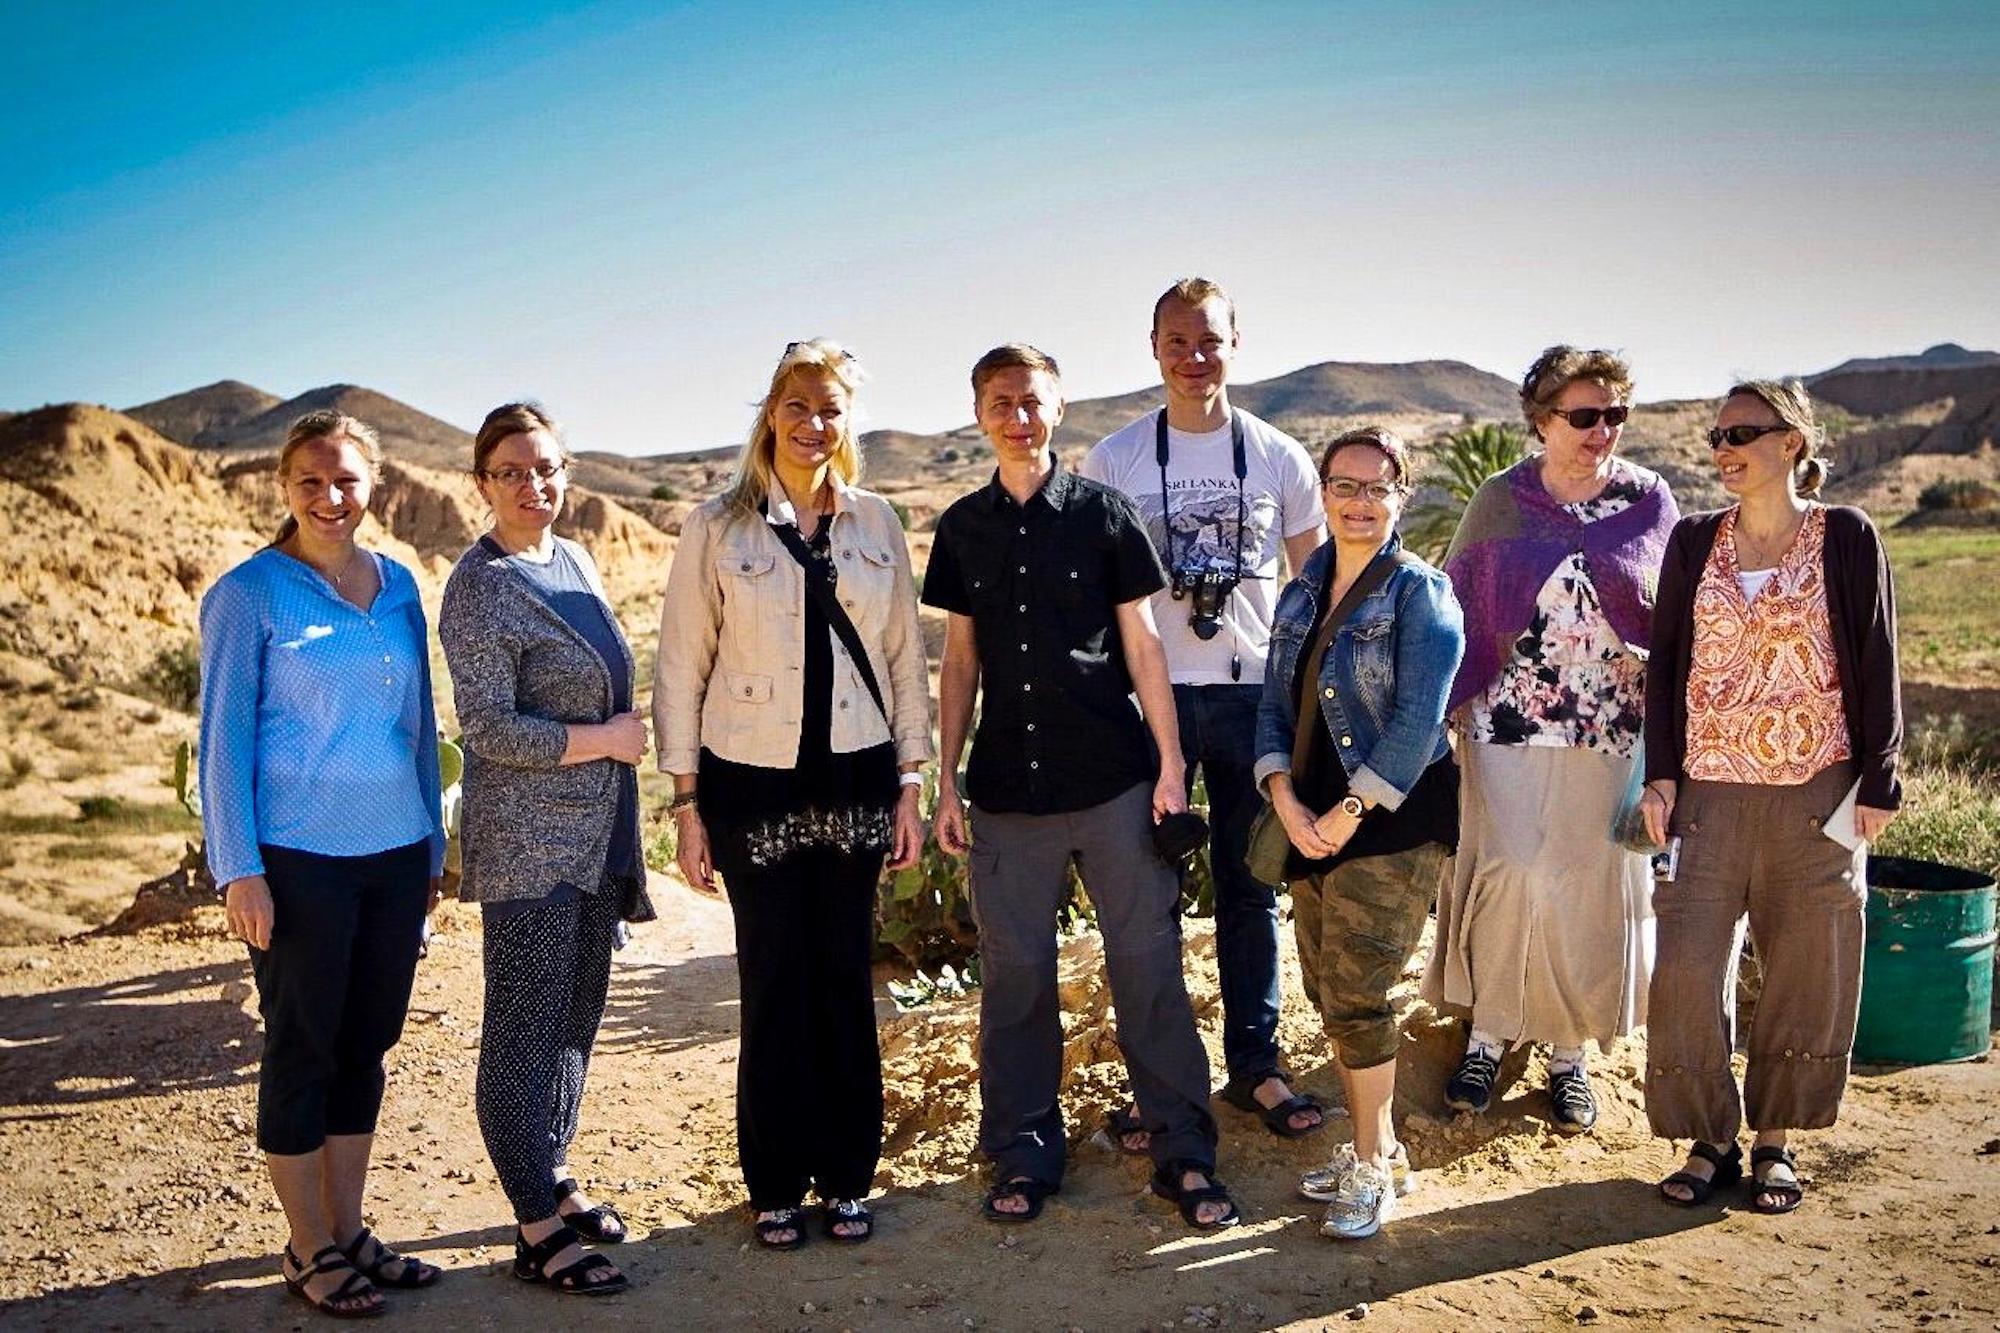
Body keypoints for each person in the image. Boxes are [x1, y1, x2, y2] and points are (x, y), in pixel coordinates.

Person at [928, 343, 1236, 1231]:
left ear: (1057, 408)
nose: (1017, 416)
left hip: (1113, 782)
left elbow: (1144, 644)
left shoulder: (1105, 513)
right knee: (1015, 981)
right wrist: (945, 783)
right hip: (1006, 796)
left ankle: (1184, 1150)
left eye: (1031, 400)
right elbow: (959, 662)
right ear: (980, 413)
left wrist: (1170, 764)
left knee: (1148, 970)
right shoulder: (960, 527)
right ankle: (1023, 1152)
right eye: (1000, 401)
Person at [655, 339, 931, 1250]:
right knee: (772, 977)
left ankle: (849, 1176)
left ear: (849, 420)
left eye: (831, 409)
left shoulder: (877, 523)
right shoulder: (717, 527)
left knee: (844, 977)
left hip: (856, 772)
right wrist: (688, 806)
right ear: (771, 412)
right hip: (749, 781)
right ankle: (774, 1182)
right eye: (798, 407)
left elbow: (901, 661)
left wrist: (912, 781)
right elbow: (680, 665)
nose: (815, 424)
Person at [200, 409, 446, 1318]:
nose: (329, 497)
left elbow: (420, 727)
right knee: (302, 1047)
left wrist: (432, 846)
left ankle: (348, 1229)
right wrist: (239, 868)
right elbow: (219, 742)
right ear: (284, 487)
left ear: (373, 483)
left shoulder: (400, 587)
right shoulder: (249, 593)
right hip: (297, 862)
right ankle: (307, 1248)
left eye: (345, 480)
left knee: (367, 1045)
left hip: (395, 851)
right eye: (310, 481)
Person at [1642, 379, 1900, 1214]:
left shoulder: (1846, 536)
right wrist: (1661, 773)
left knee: (1805, 965)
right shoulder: (1692, 542)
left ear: (1792, 441)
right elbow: (1667, 669)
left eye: (1742, 433)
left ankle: (1774, 1142)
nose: (1724, 448)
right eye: (1716, 434)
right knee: (1684, 966)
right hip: (1708, 793)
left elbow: (1876, 658)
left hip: (1816, 788)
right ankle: (1710, 1136)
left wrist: (1879, 777)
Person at [1081, 277, 1328, 1144]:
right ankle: (1159, 1083)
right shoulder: (1112, 461)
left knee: (1250, 891)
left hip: (1253, 698)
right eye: (1178, 342)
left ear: (1236, 343)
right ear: (1154, 348)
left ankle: (1256, 1066)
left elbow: (1314, 591)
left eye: (1211, 341)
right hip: (1149, 706)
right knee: (1143, 902)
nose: (1195, 358)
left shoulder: (1278, 457)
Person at [1424, 346, 1680, 1131]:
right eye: (1583, 417)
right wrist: (1436, 704)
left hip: (1610, 727)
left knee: (1582, 880)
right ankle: (1489, 1032)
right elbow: (1454, 602)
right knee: (1509, 870)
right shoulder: (1500, 499)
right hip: (1504, 719)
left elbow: (1675, 614)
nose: (1602, 431)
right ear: (1541, 421)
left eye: (1614, 416)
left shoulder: (1649, 500)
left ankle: (1569, 1052)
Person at [439, 402, 653, 1295]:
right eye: (514, 473)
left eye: (549, 467)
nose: (536, 486)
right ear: (483, 484)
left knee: (575, 1015)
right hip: (527, 842)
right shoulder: (480, 585)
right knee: (523, 1029)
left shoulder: (574, 557)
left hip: (597, 831)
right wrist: (603, 739)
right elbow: (486, 725)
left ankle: (552, 1173)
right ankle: (534, 1225)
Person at [1254, 428, 1465, 1239]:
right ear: (1323, 492)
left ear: (1401, 497)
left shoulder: (1421, 592)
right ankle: (1373, 1150)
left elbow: (1417, 721)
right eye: (1344, 485)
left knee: (1360, 990)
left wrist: (1346, 812)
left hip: (1391, 823)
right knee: (1326, 989)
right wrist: (1283, 795)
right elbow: (1273, 703)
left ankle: (1374, 1162)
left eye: (1378, 488)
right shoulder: (1301, 589)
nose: (1359, 502)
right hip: (1306, 815)